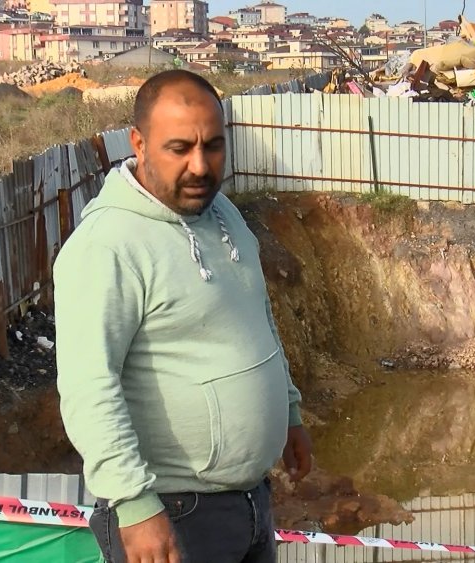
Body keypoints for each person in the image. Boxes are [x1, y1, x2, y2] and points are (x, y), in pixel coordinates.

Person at [54, 69, 313, 563]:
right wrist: (134, 506)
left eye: (213, 146)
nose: (200, 166)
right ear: (139, 143)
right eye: (180, 148)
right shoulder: (107, 246)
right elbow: (90, 389)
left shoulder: (224, 215)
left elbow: (258, 320)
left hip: (249, 503)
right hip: (174, 515)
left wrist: (289, 413)